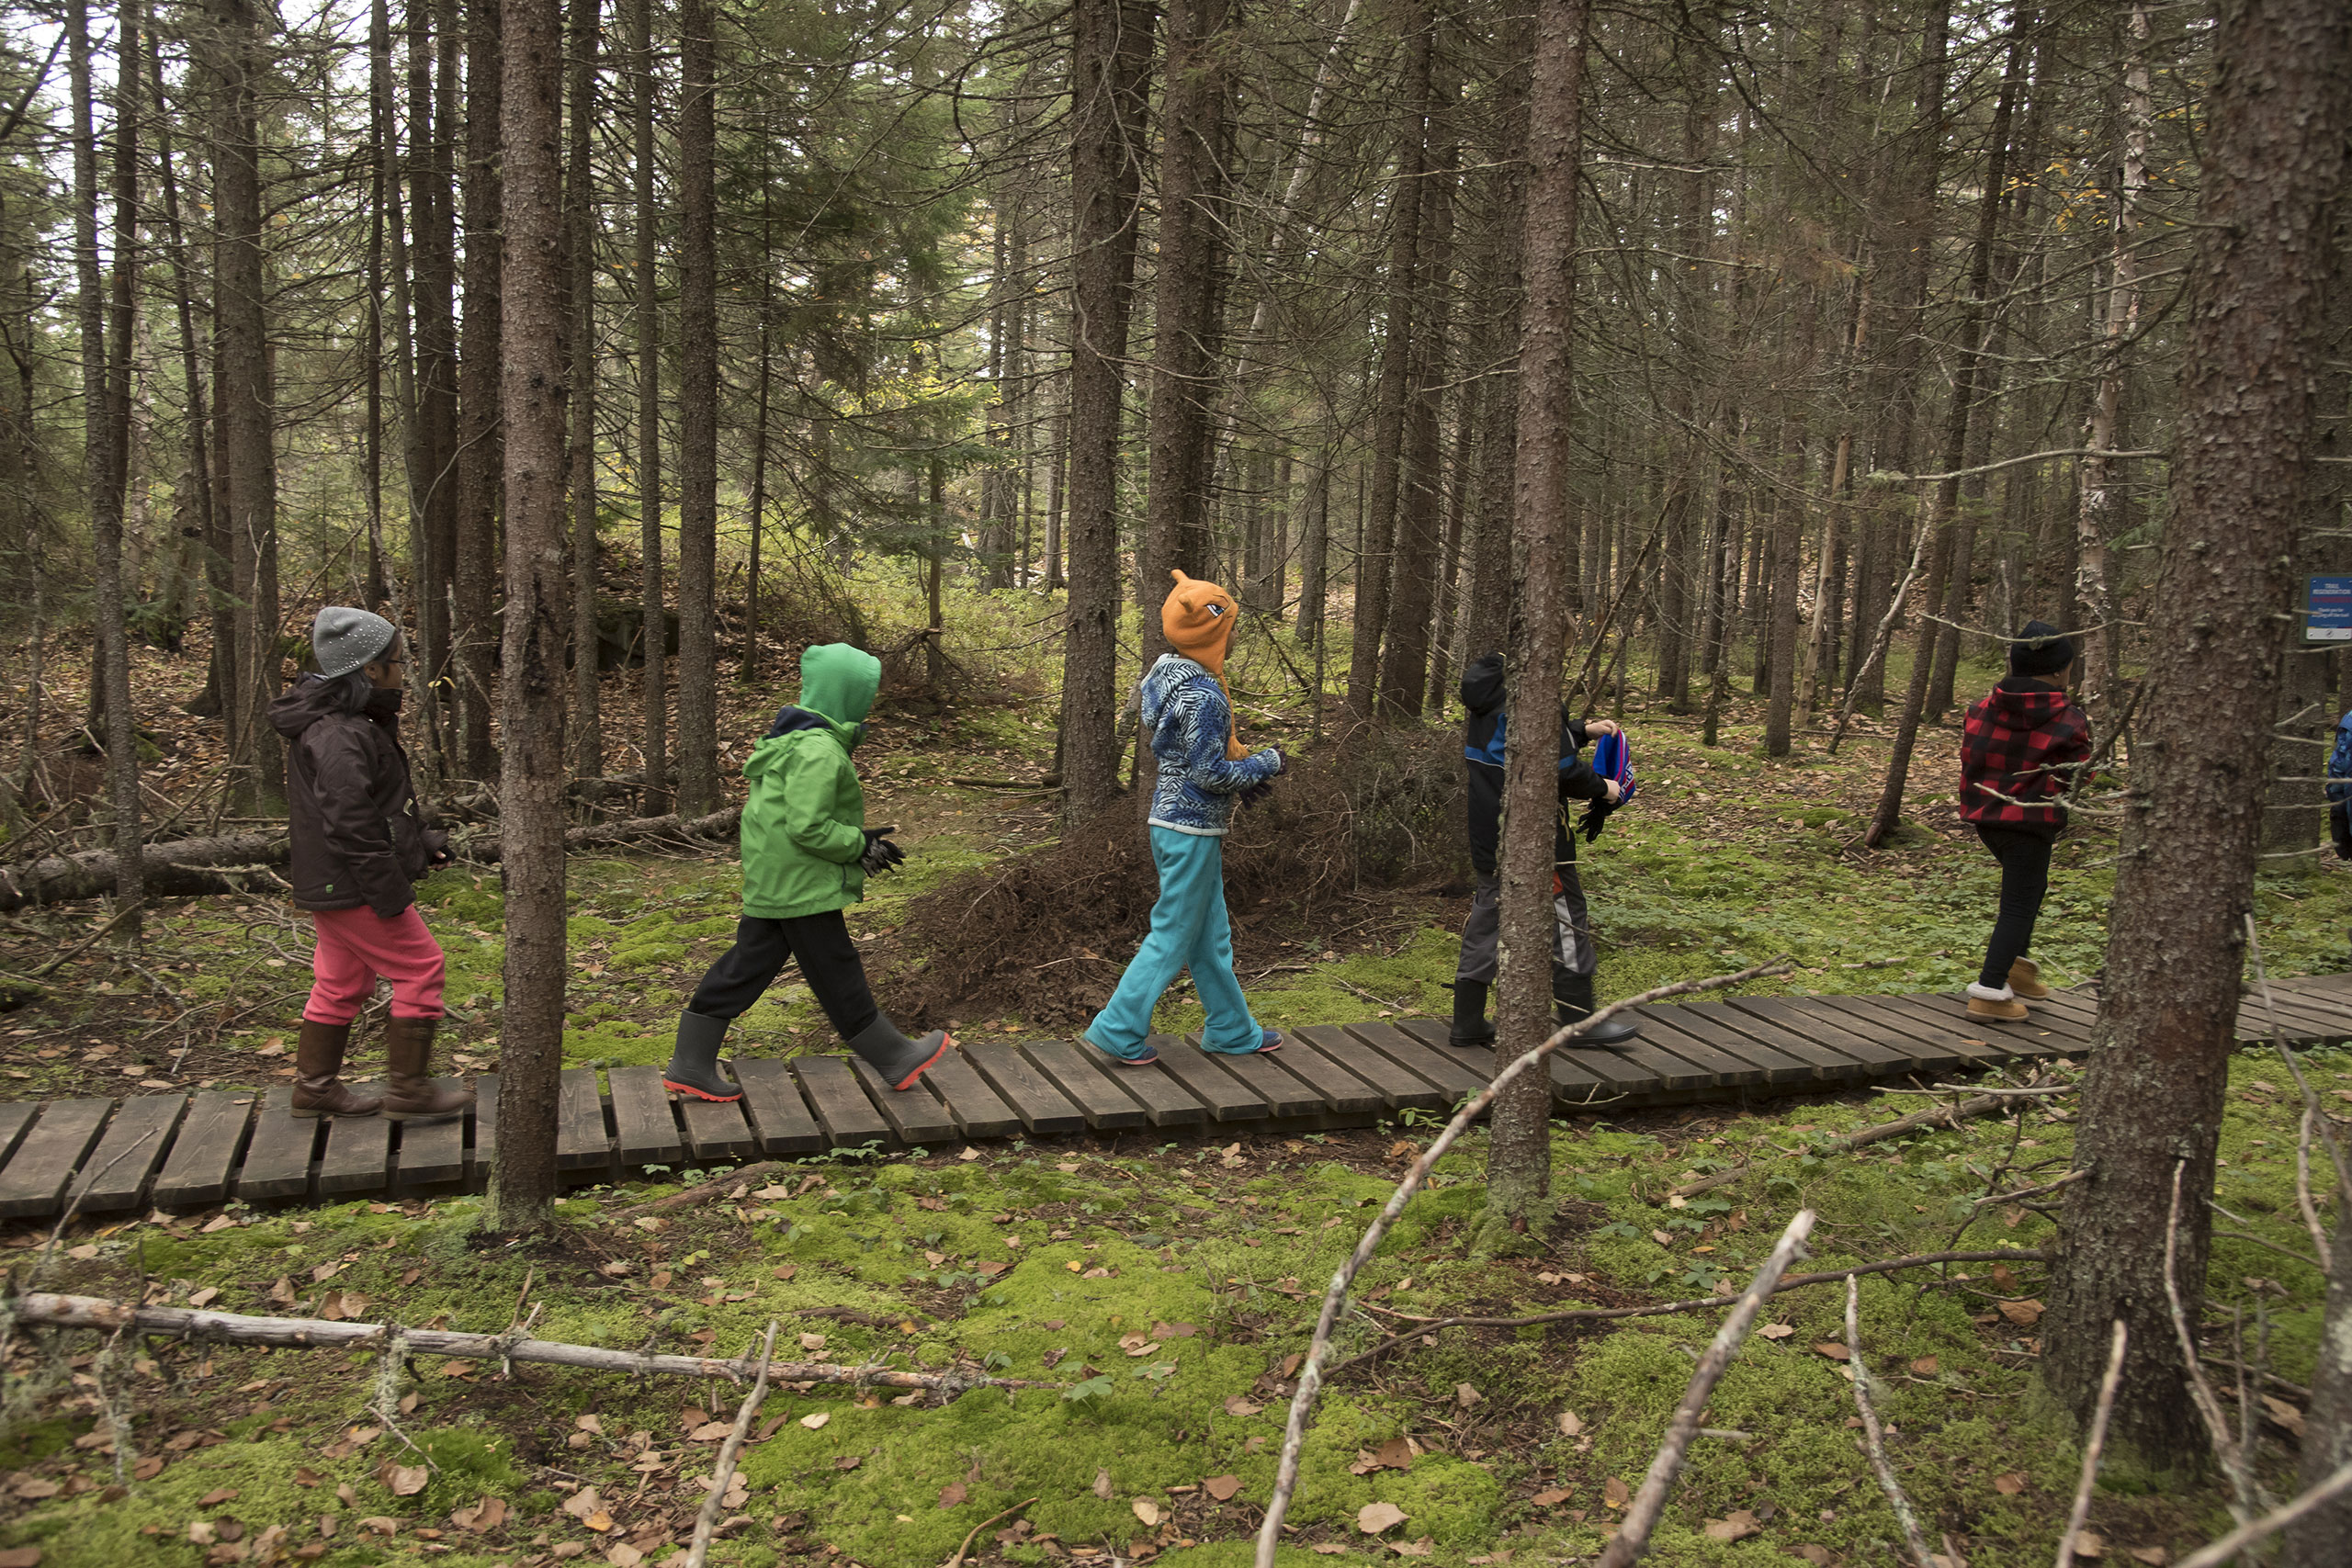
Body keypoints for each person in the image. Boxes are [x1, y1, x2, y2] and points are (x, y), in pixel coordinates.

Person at [662, 643, 947, 1103]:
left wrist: (858, 841)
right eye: (864, 694)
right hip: (801, 884)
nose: (869, 702)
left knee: (746, 967)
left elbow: (782, 817)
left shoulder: (792, 738)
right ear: (846, 696)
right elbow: (807, 825)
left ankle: (690, 1063)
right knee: (837, 970)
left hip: (778, 879)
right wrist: (859, 844)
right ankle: (894, 1056)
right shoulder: (820, 750)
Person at [271, 608, 473, 1121]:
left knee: (342, 984)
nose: (405, 670)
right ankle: (409, 1092)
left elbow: (375, 806)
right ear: (369, 670)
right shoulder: (337, 733)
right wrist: (387, 892)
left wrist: (422, 841)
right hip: (352, 882)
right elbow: (348, 823)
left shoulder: (354, 724)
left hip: (335, 883)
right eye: (398, 662)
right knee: (422, 967)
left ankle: (315, 1089)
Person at [1081, 571, 1288, 1066]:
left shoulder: (1166, 673)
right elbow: (1209, 771)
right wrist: (1267, 762)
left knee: (1209, 934)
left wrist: (1243, 773)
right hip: (1188, 827)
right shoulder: (1205, 696)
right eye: (1232, 627)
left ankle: (1232, 1029)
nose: (1236, 635)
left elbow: (1189, 755)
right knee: (1174, 931)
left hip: (1175, 822)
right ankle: (1117, 1027)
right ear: (1214, 633)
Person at [1449, 652, 1638, 1048]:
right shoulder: (1530, 695)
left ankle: (1466, 1020)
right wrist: (1605, 788)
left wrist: (1582, 730)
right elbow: (1558, 768)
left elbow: (1522, 743)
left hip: (1489, 833)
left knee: (1487, 917)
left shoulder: (1498, 689)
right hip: (1535, 838)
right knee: (1568, 918)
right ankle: (1581, 1024)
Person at [1958, 621, 2092, 1021]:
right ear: (2057, 670)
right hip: (2031, 822)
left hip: (1988, 818)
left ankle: (2016, 968)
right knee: (2018, 903)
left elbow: (1972, 759)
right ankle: (1989, 990)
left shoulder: (1981, 709)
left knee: (2030, 889)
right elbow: (2082, 772)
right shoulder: (2069, 719)